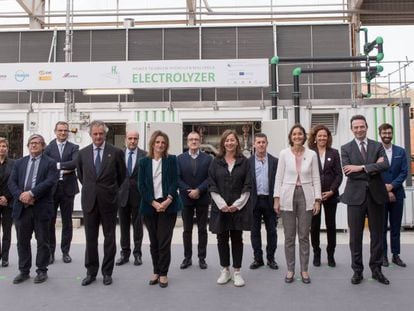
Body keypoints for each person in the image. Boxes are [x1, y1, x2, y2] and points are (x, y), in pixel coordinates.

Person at [341, 115, 390, 285]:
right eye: (356, 127)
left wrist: (361, 167)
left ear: (367, 127)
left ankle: (376, 270)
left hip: (376, 196)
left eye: (362, 126)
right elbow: (348, 171)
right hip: (355, 197)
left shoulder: (377, 146)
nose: (359, 129)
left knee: (377, 235)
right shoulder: (346, 148)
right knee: (355, 237)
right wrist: (372, 167)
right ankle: (357, 271)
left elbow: (385, 165)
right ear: (352, 129)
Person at [77, 120, 126, 286]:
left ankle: (107, 272)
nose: (98, 136)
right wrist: (93, 189)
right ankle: (91, 272)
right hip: (90, 201)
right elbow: (81, 176)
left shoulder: (116, 152)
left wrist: (109, 191)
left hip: (109, 202)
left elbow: (121, 176)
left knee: (109, 238)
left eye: (101, 133)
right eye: (95, 134)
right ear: (90, 135)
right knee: (90, 239)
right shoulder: (82, 153)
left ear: (105, 134)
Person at [273, 124, 321, 284]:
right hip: (287, 195)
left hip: (306, 195)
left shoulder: (312, 154)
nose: (297, 137)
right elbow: (278, 177)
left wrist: (317, 200)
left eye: (300, 134)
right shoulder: (284, 154)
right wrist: (276, 198)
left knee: (304, 236)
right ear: (290, 137)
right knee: (289, 236)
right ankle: (290, 269)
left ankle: (304, 270)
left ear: (304, 136)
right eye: (294, 134)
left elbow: (316, 178)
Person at [8, 134, 58, 284]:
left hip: (41, 207)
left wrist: (32, 193)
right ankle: (24, 271)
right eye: (31, 143)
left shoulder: (50, 163)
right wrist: (21, 196)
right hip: (22, 208)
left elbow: (50, 181)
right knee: (22, 241)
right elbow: (12, 183)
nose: (34, 145)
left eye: (37, 143)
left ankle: (42, 271)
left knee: (43, 241)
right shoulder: (19, 163)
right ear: (28, 146)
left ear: (43, 146)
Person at [138, 130, 182, 288]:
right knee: (154, 241)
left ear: (166, 145)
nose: (160, 145)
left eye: (163, 142)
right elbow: (141, 185)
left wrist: (168, 200)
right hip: (150, 206)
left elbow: (175, 181)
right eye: (157, 142)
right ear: (152, 144)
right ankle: (156, 270)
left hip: (167, 206)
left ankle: (163, 273)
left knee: (164, 241)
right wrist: (153, 202)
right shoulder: (143, 162)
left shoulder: (171, 160)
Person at [208, 129, 251, 287]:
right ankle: (225, 270)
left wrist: (237, 205)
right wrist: (221, 204)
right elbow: (211, 183)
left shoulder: (244, 162)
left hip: (238, 208)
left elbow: (248, 184)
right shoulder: (216, 161)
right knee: (222, 239)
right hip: (221, 208)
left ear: (237, 143)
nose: (230, 143)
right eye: (227, 140)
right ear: (223, 143)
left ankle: (237, 272)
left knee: (237, 239)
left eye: (232, 140)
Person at [44, 121, 79, 264]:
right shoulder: (48, 148)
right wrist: (65, 168)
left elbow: (75, 163)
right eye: (60, 130)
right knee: (50, 222)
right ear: (55, 131)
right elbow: (45, 164)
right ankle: (51, 252)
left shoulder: (74, 147)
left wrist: (56, 166)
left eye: (65, 130)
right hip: (51, 189)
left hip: (68, 189)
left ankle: (65, 252)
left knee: (67, 222)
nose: (63, 133)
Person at [308, 125, 343, 267]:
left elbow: (339, 175)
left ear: (328, 138)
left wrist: (332, 191)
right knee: (314, 226)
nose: (322, 138)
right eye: (319, 135)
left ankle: (330, 254)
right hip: (314, 196)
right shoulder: (309, 153)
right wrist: (314, 193)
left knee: (331, 225)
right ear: (315, 138)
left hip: (330, 195)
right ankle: (316, 253)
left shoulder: (334, 153)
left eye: (325, 136)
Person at [177, 131, 212, 270]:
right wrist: (189, 191)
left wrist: (199, 190)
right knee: (187, 230)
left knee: (202, 230)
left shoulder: (208, 159)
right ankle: (187, 258)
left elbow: (210, 177)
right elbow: (177, 178)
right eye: (191, 139)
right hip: (186, 199)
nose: (193, 141)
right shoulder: (179, 158)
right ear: (187, 141)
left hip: (202, 198)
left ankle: (202, 258)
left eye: (196, 139)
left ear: (200, 141)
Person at [378, 123, 408, 268]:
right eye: (384, 133)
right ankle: (383, 256)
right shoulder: (376, 151)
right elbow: (374, 171)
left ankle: (396, 255)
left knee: (395, 227)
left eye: (389, 133)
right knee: (382, 227)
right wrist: (385, 189)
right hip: (380, 195)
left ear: (392, 133)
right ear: (380, 134)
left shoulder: (400, 151)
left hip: (398, 195)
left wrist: (392, 186)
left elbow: (404, 172)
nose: (387, 135)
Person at [116, 130, 146, 266]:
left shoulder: (145, 155)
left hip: (138, 196)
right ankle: (124, 253)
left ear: (138, 140)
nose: (132, 141)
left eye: (135, 138)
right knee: (123, 226)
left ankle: (137, 253)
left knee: (138, 226)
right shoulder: (118, 154)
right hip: (122, 196)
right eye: (130, 138)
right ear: (125, 140)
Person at [249, 133, 279, 270]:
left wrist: (278, 200)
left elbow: (279, 183)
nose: (261, 144)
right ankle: (258, 259)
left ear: (267, 144)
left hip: (269, 200)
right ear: (254, 145)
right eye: (258, 142)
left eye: (263, 142)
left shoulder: (275, 161)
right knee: (255, 231)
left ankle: (271, 259)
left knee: (271, 231)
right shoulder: (247, 162)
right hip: (254, 201)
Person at [0, 137, 14, 268]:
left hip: (8, 202)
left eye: (4, 146)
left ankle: (5, 258)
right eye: (0, 146)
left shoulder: (13, 164)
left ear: (7, 148)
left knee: (7, 231)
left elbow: (14, 182)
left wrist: (7, 197)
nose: (1, 148)